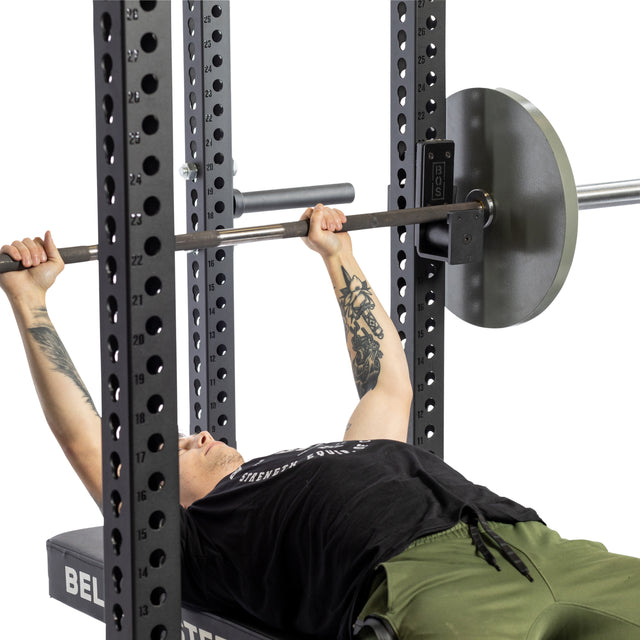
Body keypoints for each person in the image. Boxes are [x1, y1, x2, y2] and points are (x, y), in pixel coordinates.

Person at [1, 204, 639, 640]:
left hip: (531, 544)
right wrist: (30, 302)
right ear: (159, 496)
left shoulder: (341, 458)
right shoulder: (202, 539)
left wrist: (338, 255)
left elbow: (389, 384)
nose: (198, 433)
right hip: (420, 587)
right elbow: (87, 442)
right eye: (174, 447)